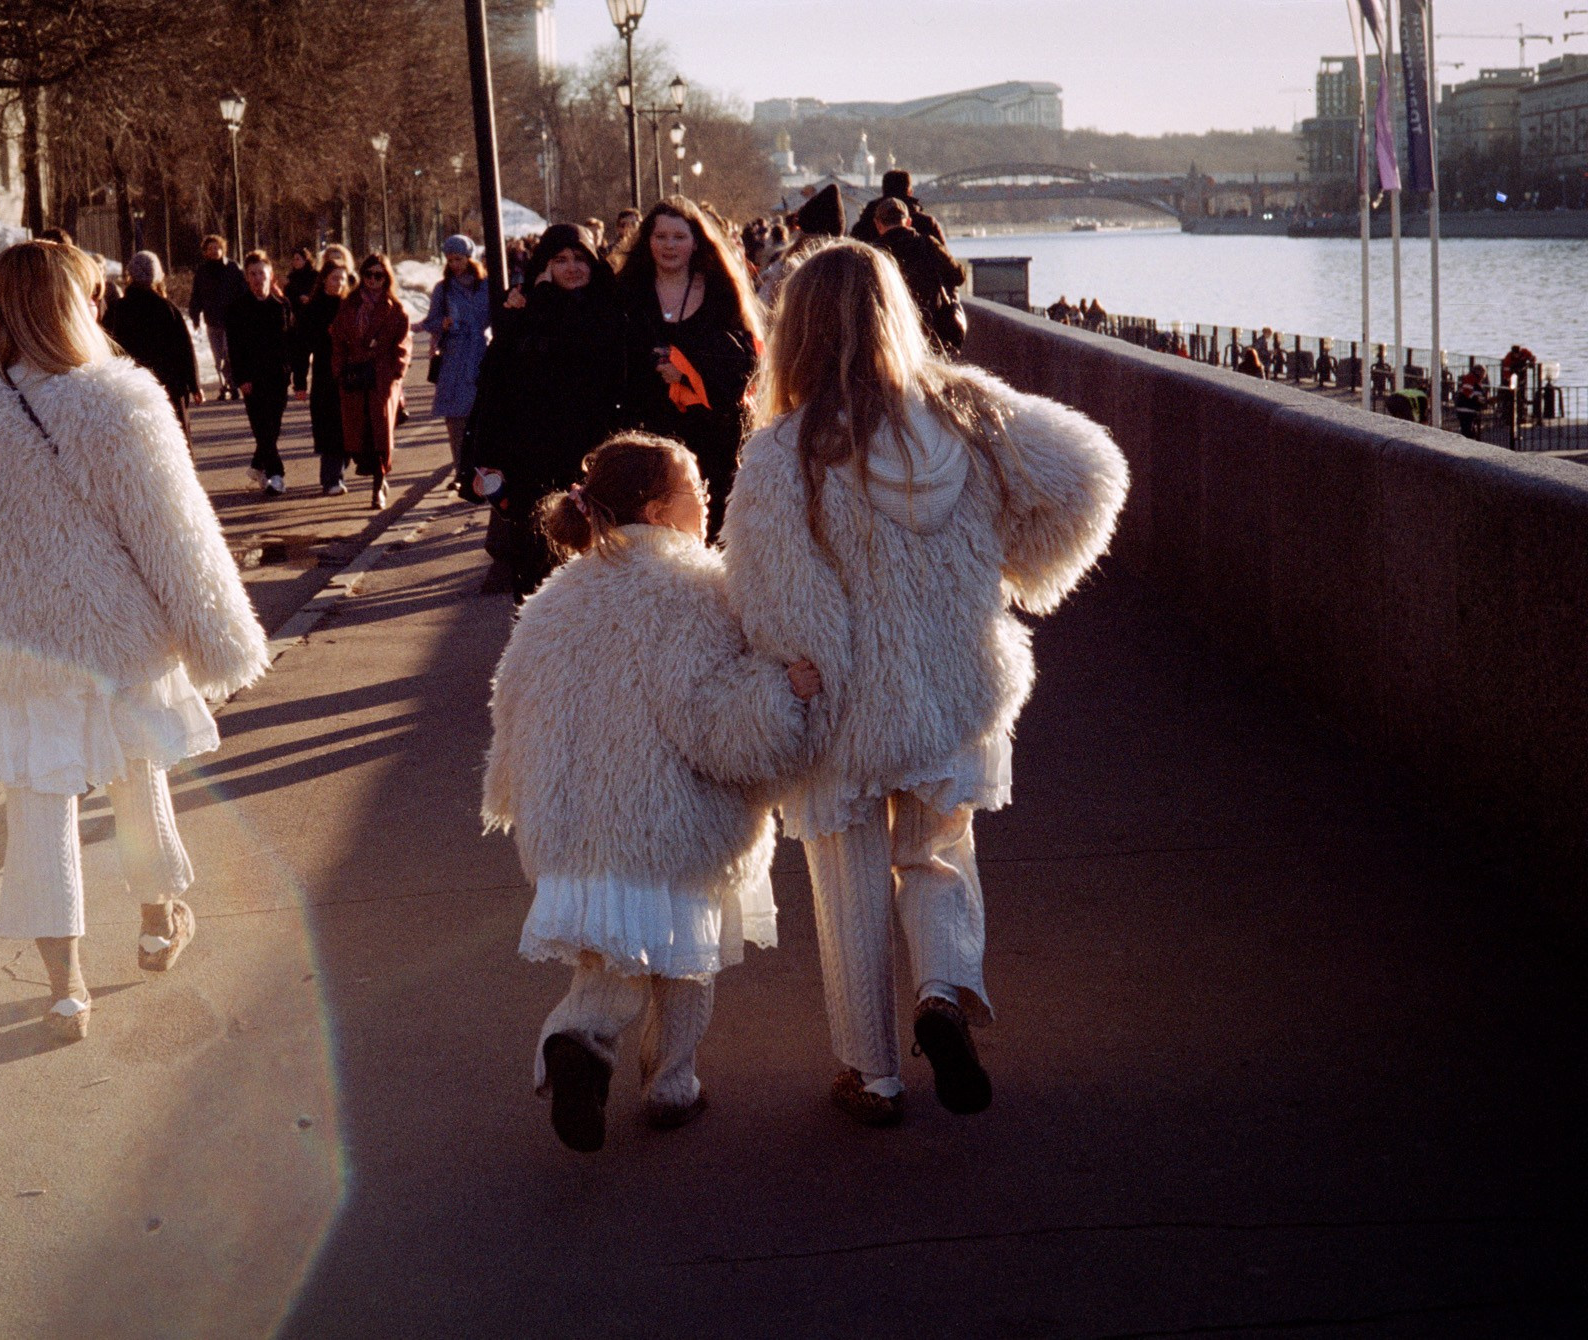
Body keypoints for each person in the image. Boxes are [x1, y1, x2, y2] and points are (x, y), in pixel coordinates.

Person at [721, 240, 1128, 1127]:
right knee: (939, 856)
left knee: (849, 879)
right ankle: (943, 993)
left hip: (849, 705)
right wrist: (1014, 568)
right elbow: (1092, 475)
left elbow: (773, 590)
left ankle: (870, 1075)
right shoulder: (971, 414)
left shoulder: (787, 449)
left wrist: (810, 671)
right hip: (955, 684)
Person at [0, 240, 268, 1042]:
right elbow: (179, 538)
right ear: (74, 304)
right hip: (115, 635)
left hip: (12, 648)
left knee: (37, 810)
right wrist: (222, 643)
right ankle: (156, 918)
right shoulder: (122, 401)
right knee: (137, 778)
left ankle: (65, 988)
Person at [483, 433, 820, 1151]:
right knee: (686, 951)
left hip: (573, 827)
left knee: (611, 955)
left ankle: (588, 1045)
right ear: (661, 510)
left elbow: (508, 709)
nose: (708, 499)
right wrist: (781, 695)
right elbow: (713, 720)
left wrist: (519, 798)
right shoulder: (695, 587)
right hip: (671, 826)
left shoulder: (557, 596)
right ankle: (664, 1078)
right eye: (696, 486)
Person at [465, 223, 627, 601]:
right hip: (532, 465)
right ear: (544, 266)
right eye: (561, 260)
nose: (572, 268)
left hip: (593, 460)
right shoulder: (522, 313)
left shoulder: (609, 310)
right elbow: (495, 384)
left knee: (595, 572)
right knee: (537, 574)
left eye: (580, 259)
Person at [616, 196, 762, 539]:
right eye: (661, 236)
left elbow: (744, 358)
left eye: (678, 237)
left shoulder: (720, 289)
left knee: (709, 533)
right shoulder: (627, 289)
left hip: (710, 435)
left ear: (696, 242)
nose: (669, 245)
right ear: (647, 240)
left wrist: (688, 368)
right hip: (646, 431)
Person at [329, 251, 411, 511]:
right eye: (368, 275)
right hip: (354, 378)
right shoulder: (349, 305)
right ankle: (374, 475)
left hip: (381, 378)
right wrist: (339, 369)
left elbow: (403, 345)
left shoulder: (395, 310)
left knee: (381, 435)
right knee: (357, 437)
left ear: (386, 277)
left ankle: (379, 485)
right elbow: (338, 339)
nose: (373, 280)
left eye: (379, 275)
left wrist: (395, 372)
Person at [104, 251, 201, 435]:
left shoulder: (117, 310)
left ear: (130, 275)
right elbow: (184, 349)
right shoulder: (167, 309)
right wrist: (193, 384)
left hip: (130, 387)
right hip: (167, 387)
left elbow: (107, 348)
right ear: (157, 276)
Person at [418, 235, 490, 481]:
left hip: (478, 354)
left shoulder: (485, 286)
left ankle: (481, 471)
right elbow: (431, 321)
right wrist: (444, 323)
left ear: (469, 258)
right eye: (450, 260)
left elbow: (496, 316)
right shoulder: (443, 288)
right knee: (456, 419)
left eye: (458, 259)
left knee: (479, 415)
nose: (454, 264)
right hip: (453, 358)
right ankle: (461, 471)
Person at [224, 249, 293, 495]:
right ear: (246, 277)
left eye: (261, 273)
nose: (257, 279)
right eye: (252, 274)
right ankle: (276, 474)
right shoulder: (237, 309)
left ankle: (258, 465)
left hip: (277, 377)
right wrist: (241, 378)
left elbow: (289, 343)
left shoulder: (281, 306)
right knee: (261, 427)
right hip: (252, 379)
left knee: (272, 428)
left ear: (270, 275)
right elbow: (233, 348)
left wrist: (290, 372)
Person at [867, 197, 967, 354]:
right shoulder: (928, 243)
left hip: (891, 334)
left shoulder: (872, 254)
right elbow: (958, 276)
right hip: (930, 330)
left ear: (878, 224)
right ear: (908, 222)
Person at [301, 260, 352, 495]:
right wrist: (299, 380)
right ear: (324, 279)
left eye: (343, 278)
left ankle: (337, 472)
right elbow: (302, 346)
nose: (339, 283)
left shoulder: (349, 306)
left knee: (347, 428)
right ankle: (331, 479)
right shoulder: (313, 308)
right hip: (324, 376)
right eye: (334, 278)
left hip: (349, 375)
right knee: (330, 428)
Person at [188, 235, 247, 399]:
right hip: (212, 320)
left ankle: (233, 384)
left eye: (217, 247)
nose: (215, 251)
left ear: (223, 249)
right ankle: (224, 386)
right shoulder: (202, 271)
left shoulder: (233, 268)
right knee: (218, 357)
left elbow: (243, 291)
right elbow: (197, 295)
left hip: (232, 320)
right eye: (211, 249)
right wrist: (195, 316)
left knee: (229, 354)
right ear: (205, 252)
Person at [850, 170, 947, 248]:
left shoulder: (863, 226)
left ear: (883, 191)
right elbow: (948, 266)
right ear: (910, 192)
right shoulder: (927, 225)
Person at [282, 247, 320, 396]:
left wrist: (309, 299)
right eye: (294, 259)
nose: (295, 262)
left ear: (306, 260)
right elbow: (287, 298)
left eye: (298, 258)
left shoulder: (315, 276)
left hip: (313, 320)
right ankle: (300, 387)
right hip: (297, 322)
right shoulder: (291, 278)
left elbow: (318, 293)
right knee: (299, 357)